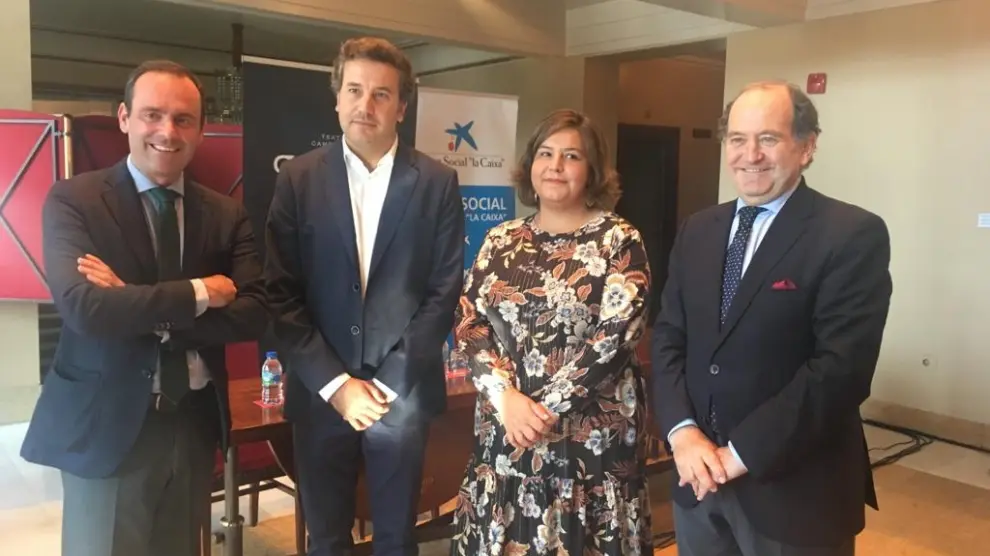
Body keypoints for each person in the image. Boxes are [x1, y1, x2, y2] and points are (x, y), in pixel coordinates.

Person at [20, 60, 269, 556]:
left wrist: (137, 306)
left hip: (192, 423)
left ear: (200, 130)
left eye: (183, 119)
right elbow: (86, 310)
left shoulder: (225, 213)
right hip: (106, 427)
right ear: (124, 118)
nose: (167, 132)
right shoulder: (75, 200)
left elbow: (255, 312)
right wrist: (200, 292)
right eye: (152, 114)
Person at [652, 80, 893, 556]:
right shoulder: (698, 229)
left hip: (794, 494)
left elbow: (840, 370)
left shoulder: (850, 234)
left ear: (807, 146)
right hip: (697, 480)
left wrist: (738, 455)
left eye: (768, 138)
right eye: (737, 139)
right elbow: (668, 337)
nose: (751, 155)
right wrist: (682, 434)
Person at [264, 36, 465, 555]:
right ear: (337, 98)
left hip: (401, 396)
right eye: (354, 90)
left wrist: (386, 384)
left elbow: (444, 291)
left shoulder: (437, 182)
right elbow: (280, 292)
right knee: (326, 539)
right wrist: (337, 386)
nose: (365, 105)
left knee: (396, 539)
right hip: (321, 393)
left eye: (381, 94)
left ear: (401, 107)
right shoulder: (298, 178)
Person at [449, 108, 654, 555]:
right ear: (531, 163)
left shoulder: (619, 239)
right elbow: (469, 321)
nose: (555, 166)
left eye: (571, 156)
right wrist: (506, 398)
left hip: (589, 442)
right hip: (506, 432)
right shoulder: (501, 239)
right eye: (545, 153)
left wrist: (539, 411)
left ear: (592, 170)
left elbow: (616, 337)